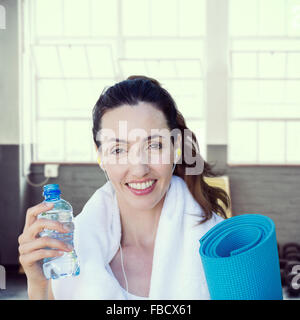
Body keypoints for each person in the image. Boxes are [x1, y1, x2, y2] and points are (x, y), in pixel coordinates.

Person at [18, 75, 230, 300]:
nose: (139, 169)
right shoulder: (70, 252)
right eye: (118, 150)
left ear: (175, 146)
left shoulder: (222, 248)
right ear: (100, 155)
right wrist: (39, 286)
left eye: (155, 145)